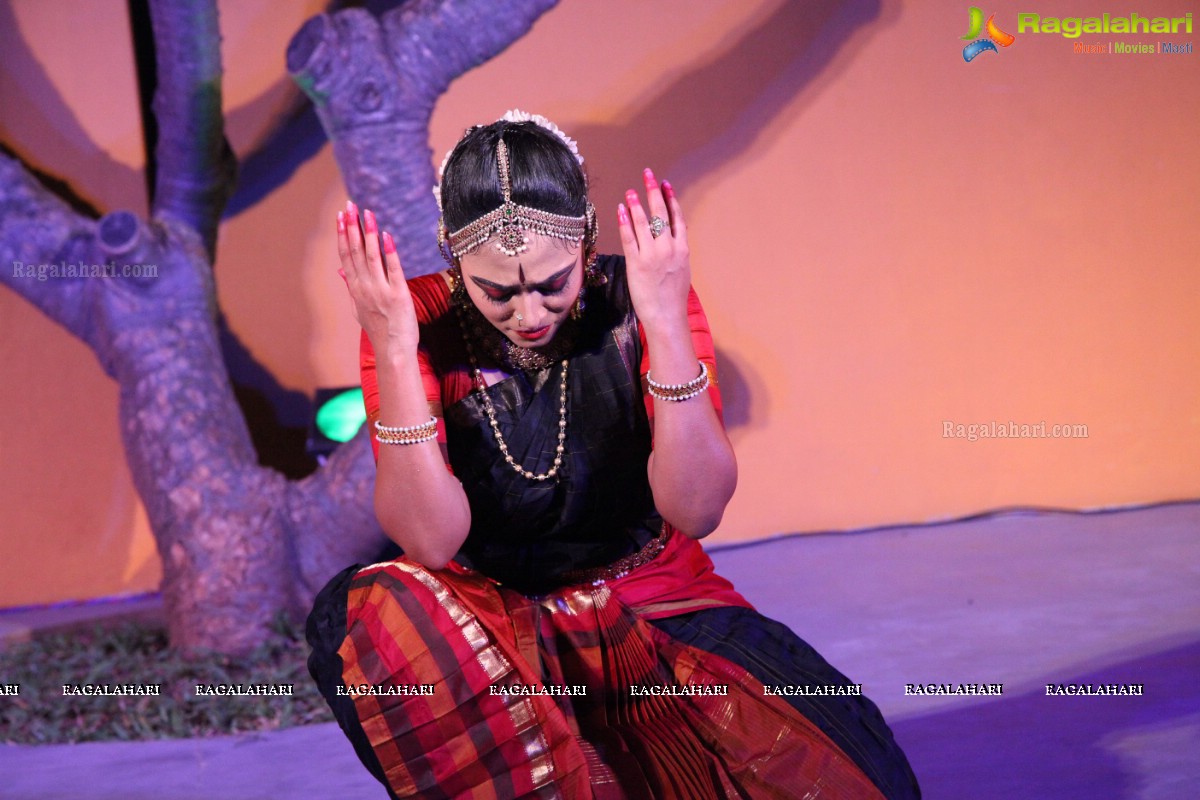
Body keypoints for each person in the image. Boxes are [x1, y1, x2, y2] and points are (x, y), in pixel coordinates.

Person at [307, 110, 920, 799]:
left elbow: (697, 508)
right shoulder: (411, 318)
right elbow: (429, 539)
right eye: (497, 292)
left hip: (653, 598)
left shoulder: (639, 293)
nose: (529, 314)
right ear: (454, 255)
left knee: (848, 778)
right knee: (369, 610)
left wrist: (661, 315)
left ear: (588, 243)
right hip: (496, 629)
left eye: (552, 283)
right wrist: (391, 347)